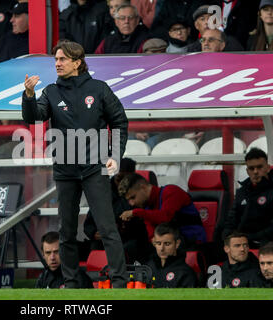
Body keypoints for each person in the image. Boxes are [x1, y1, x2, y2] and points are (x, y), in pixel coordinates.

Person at [22, 40, 128, 288]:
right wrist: (28, 95)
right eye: (56, 59)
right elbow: (34, 117)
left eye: (62, 59)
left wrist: (115, 154)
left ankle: (120, 283)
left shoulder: (99, 89)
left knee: (107, 227)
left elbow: (120, 122)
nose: (57, 64)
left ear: (77, 62)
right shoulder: (50, 91)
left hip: (95, 167)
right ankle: (70, 284)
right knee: (66, 232)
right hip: (65, 169)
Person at [83, 158, 150, 263]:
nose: (121, 183)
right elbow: (89, 222)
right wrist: (94, 233)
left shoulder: (139, 193)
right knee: (94, 248)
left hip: (132, 239)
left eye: (125, 179)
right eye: (119, 178)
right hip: (105, 240)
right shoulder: (103, 192)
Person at [221, 147, 273, 248]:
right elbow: (230, 221)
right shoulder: (242, 192)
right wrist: (227, 238)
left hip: (266, 244)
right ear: (247, 171)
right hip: (240, 242)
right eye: (251, 168)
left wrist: (247, 238)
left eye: (259, 167)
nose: (255, 172)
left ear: (268, 168)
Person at [118, 172, 206, 248]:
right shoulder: (147, 207)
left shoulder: (171, 191)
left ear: (143, 187)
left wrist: (136, 213)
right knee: (131, 247)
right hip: (170, 244)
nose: (131, 203)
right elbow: (151, 235)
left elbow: (165, 217)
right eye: (129, 200)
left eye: (133, 197)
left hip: (192, 241)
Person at [144, 222, 198, 288]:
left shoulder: (185, 273)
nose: (162, 249)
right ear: (154, 242)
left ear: (177, 243)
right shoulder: (148, 268)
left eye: (167, 244)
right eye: (158, 243)